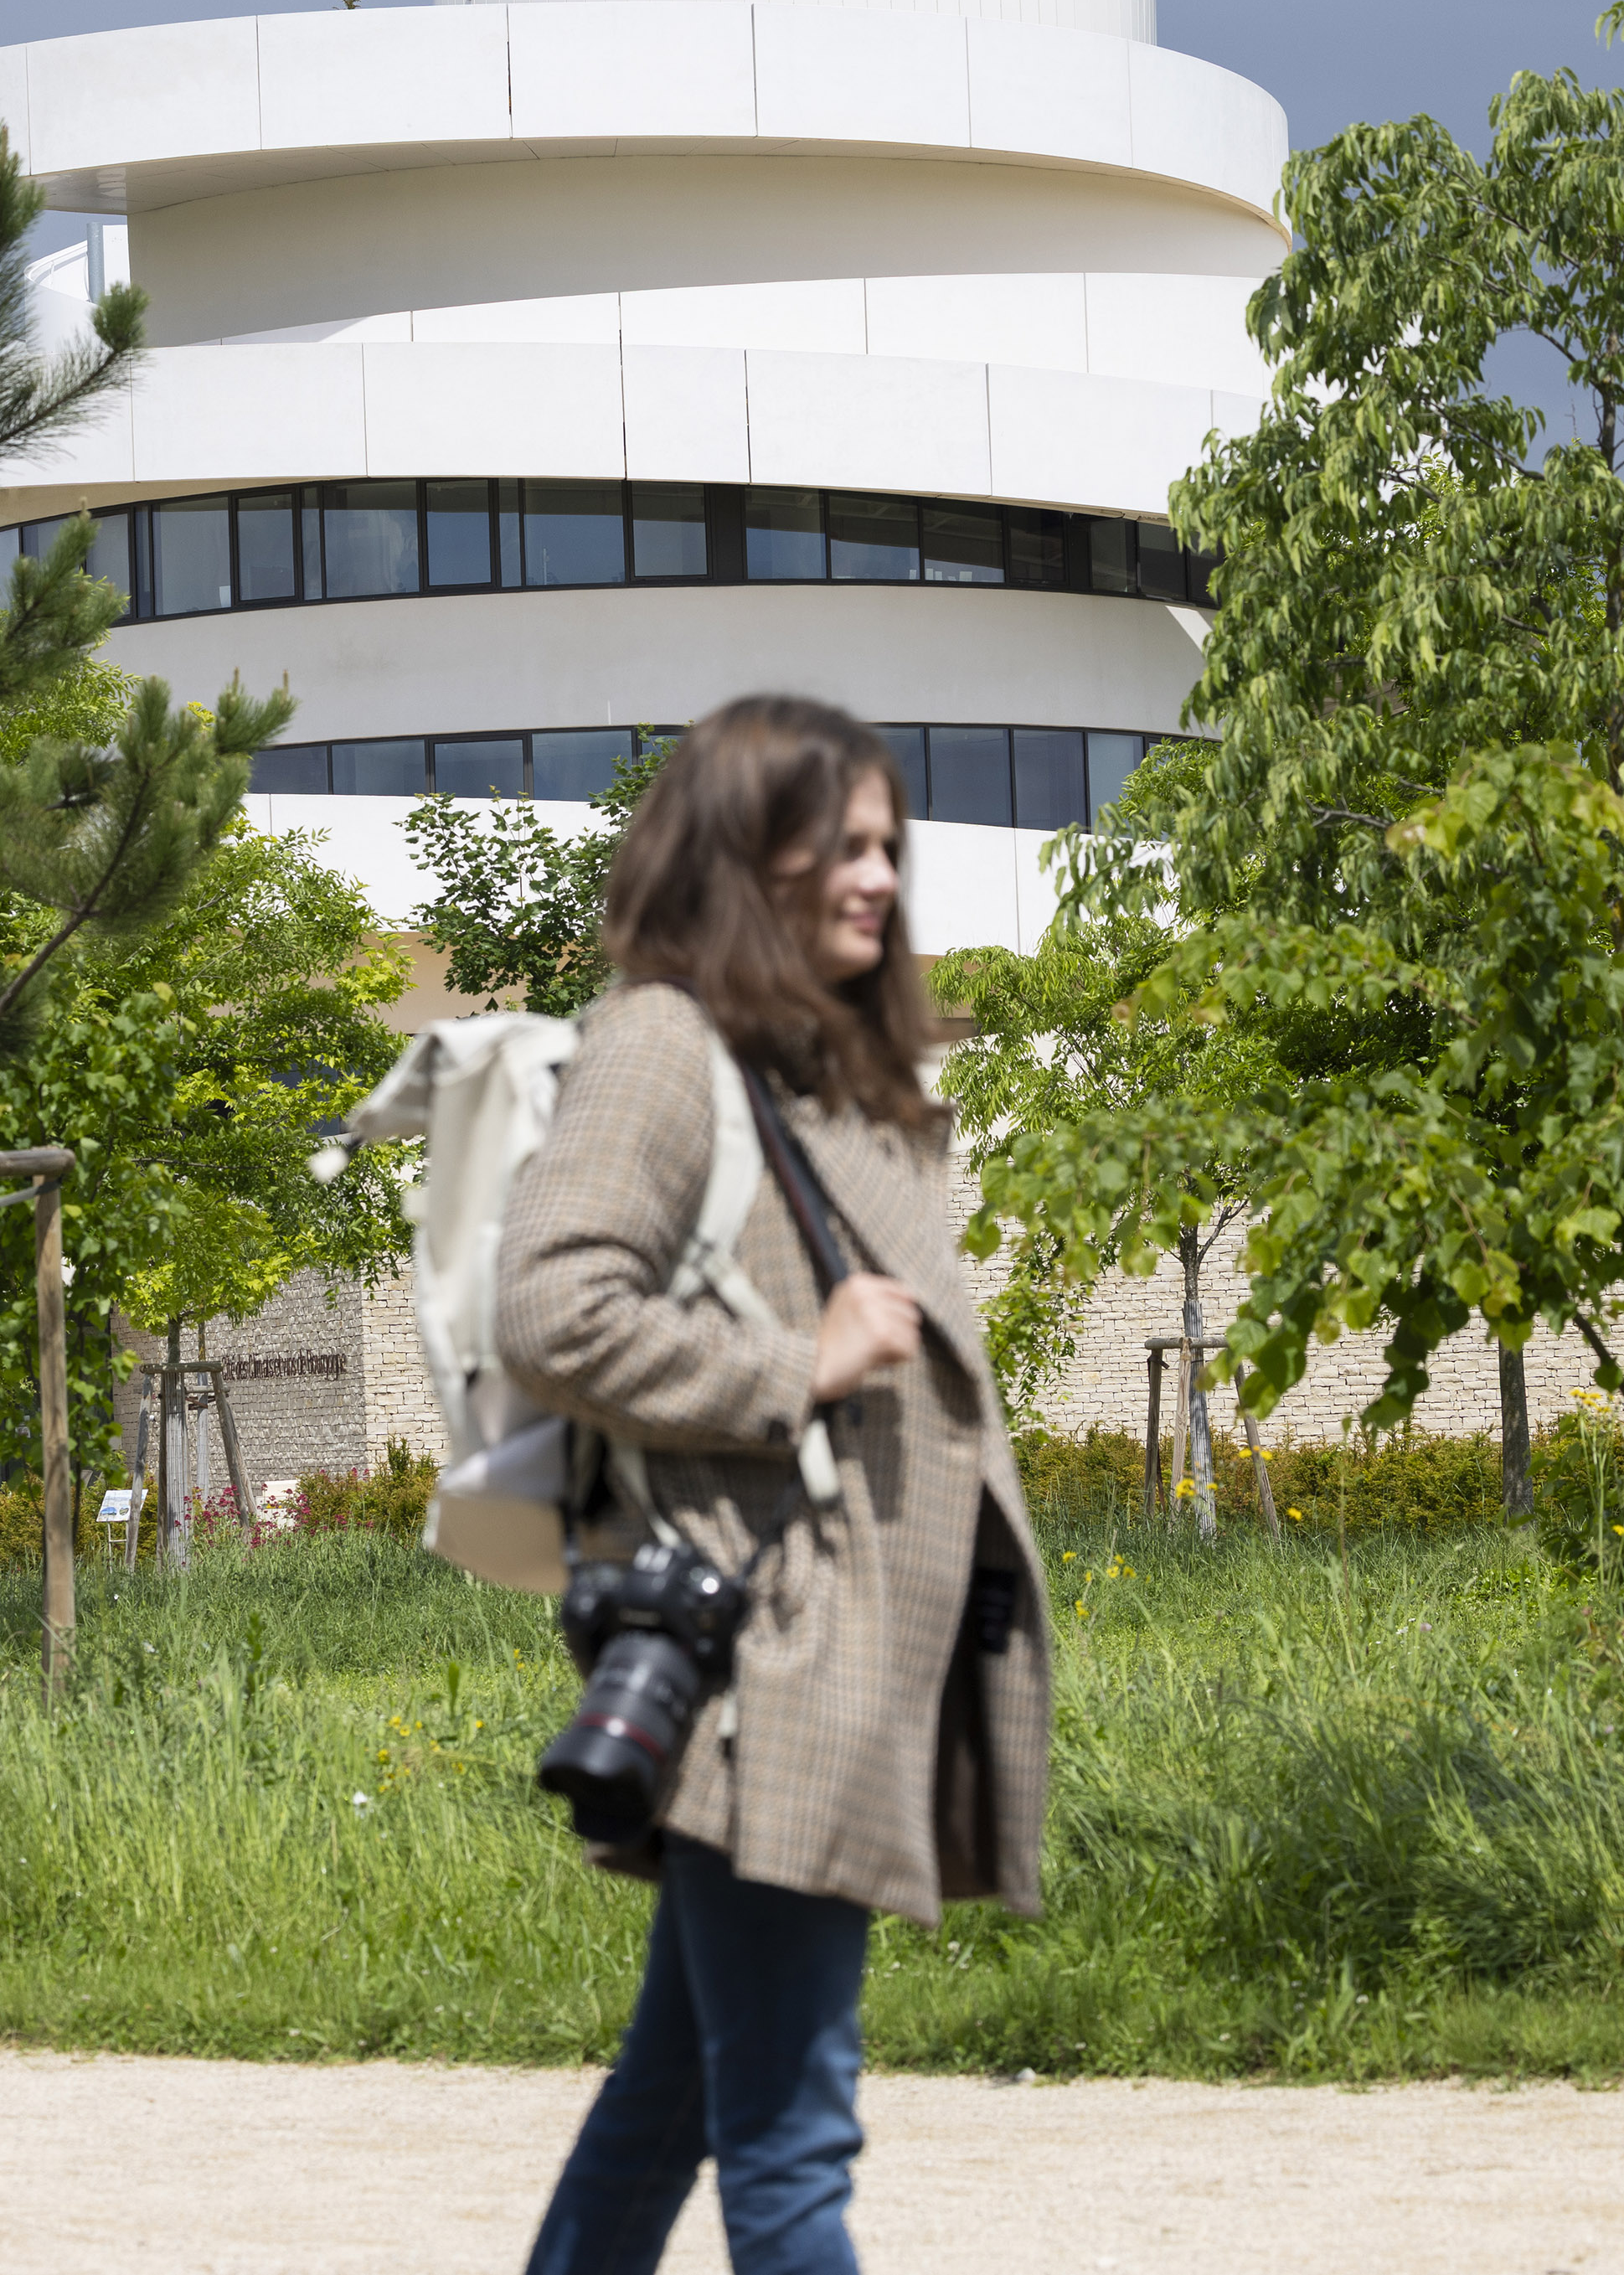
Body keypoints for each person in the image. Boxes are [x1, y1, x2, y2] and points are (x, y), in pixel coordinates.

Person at [498, 694, 1050, 2275]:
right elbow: (552, 1301)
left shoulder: (834, 1079)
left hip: (854, 1657)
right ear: (748, 851)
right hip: (774, 1661)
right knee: (796, 2145)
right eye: (842, 842)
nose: (880, 875)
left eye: (892, 844)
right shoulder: (670, 1043)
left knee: (667, 2101)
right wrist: (785, 1366)